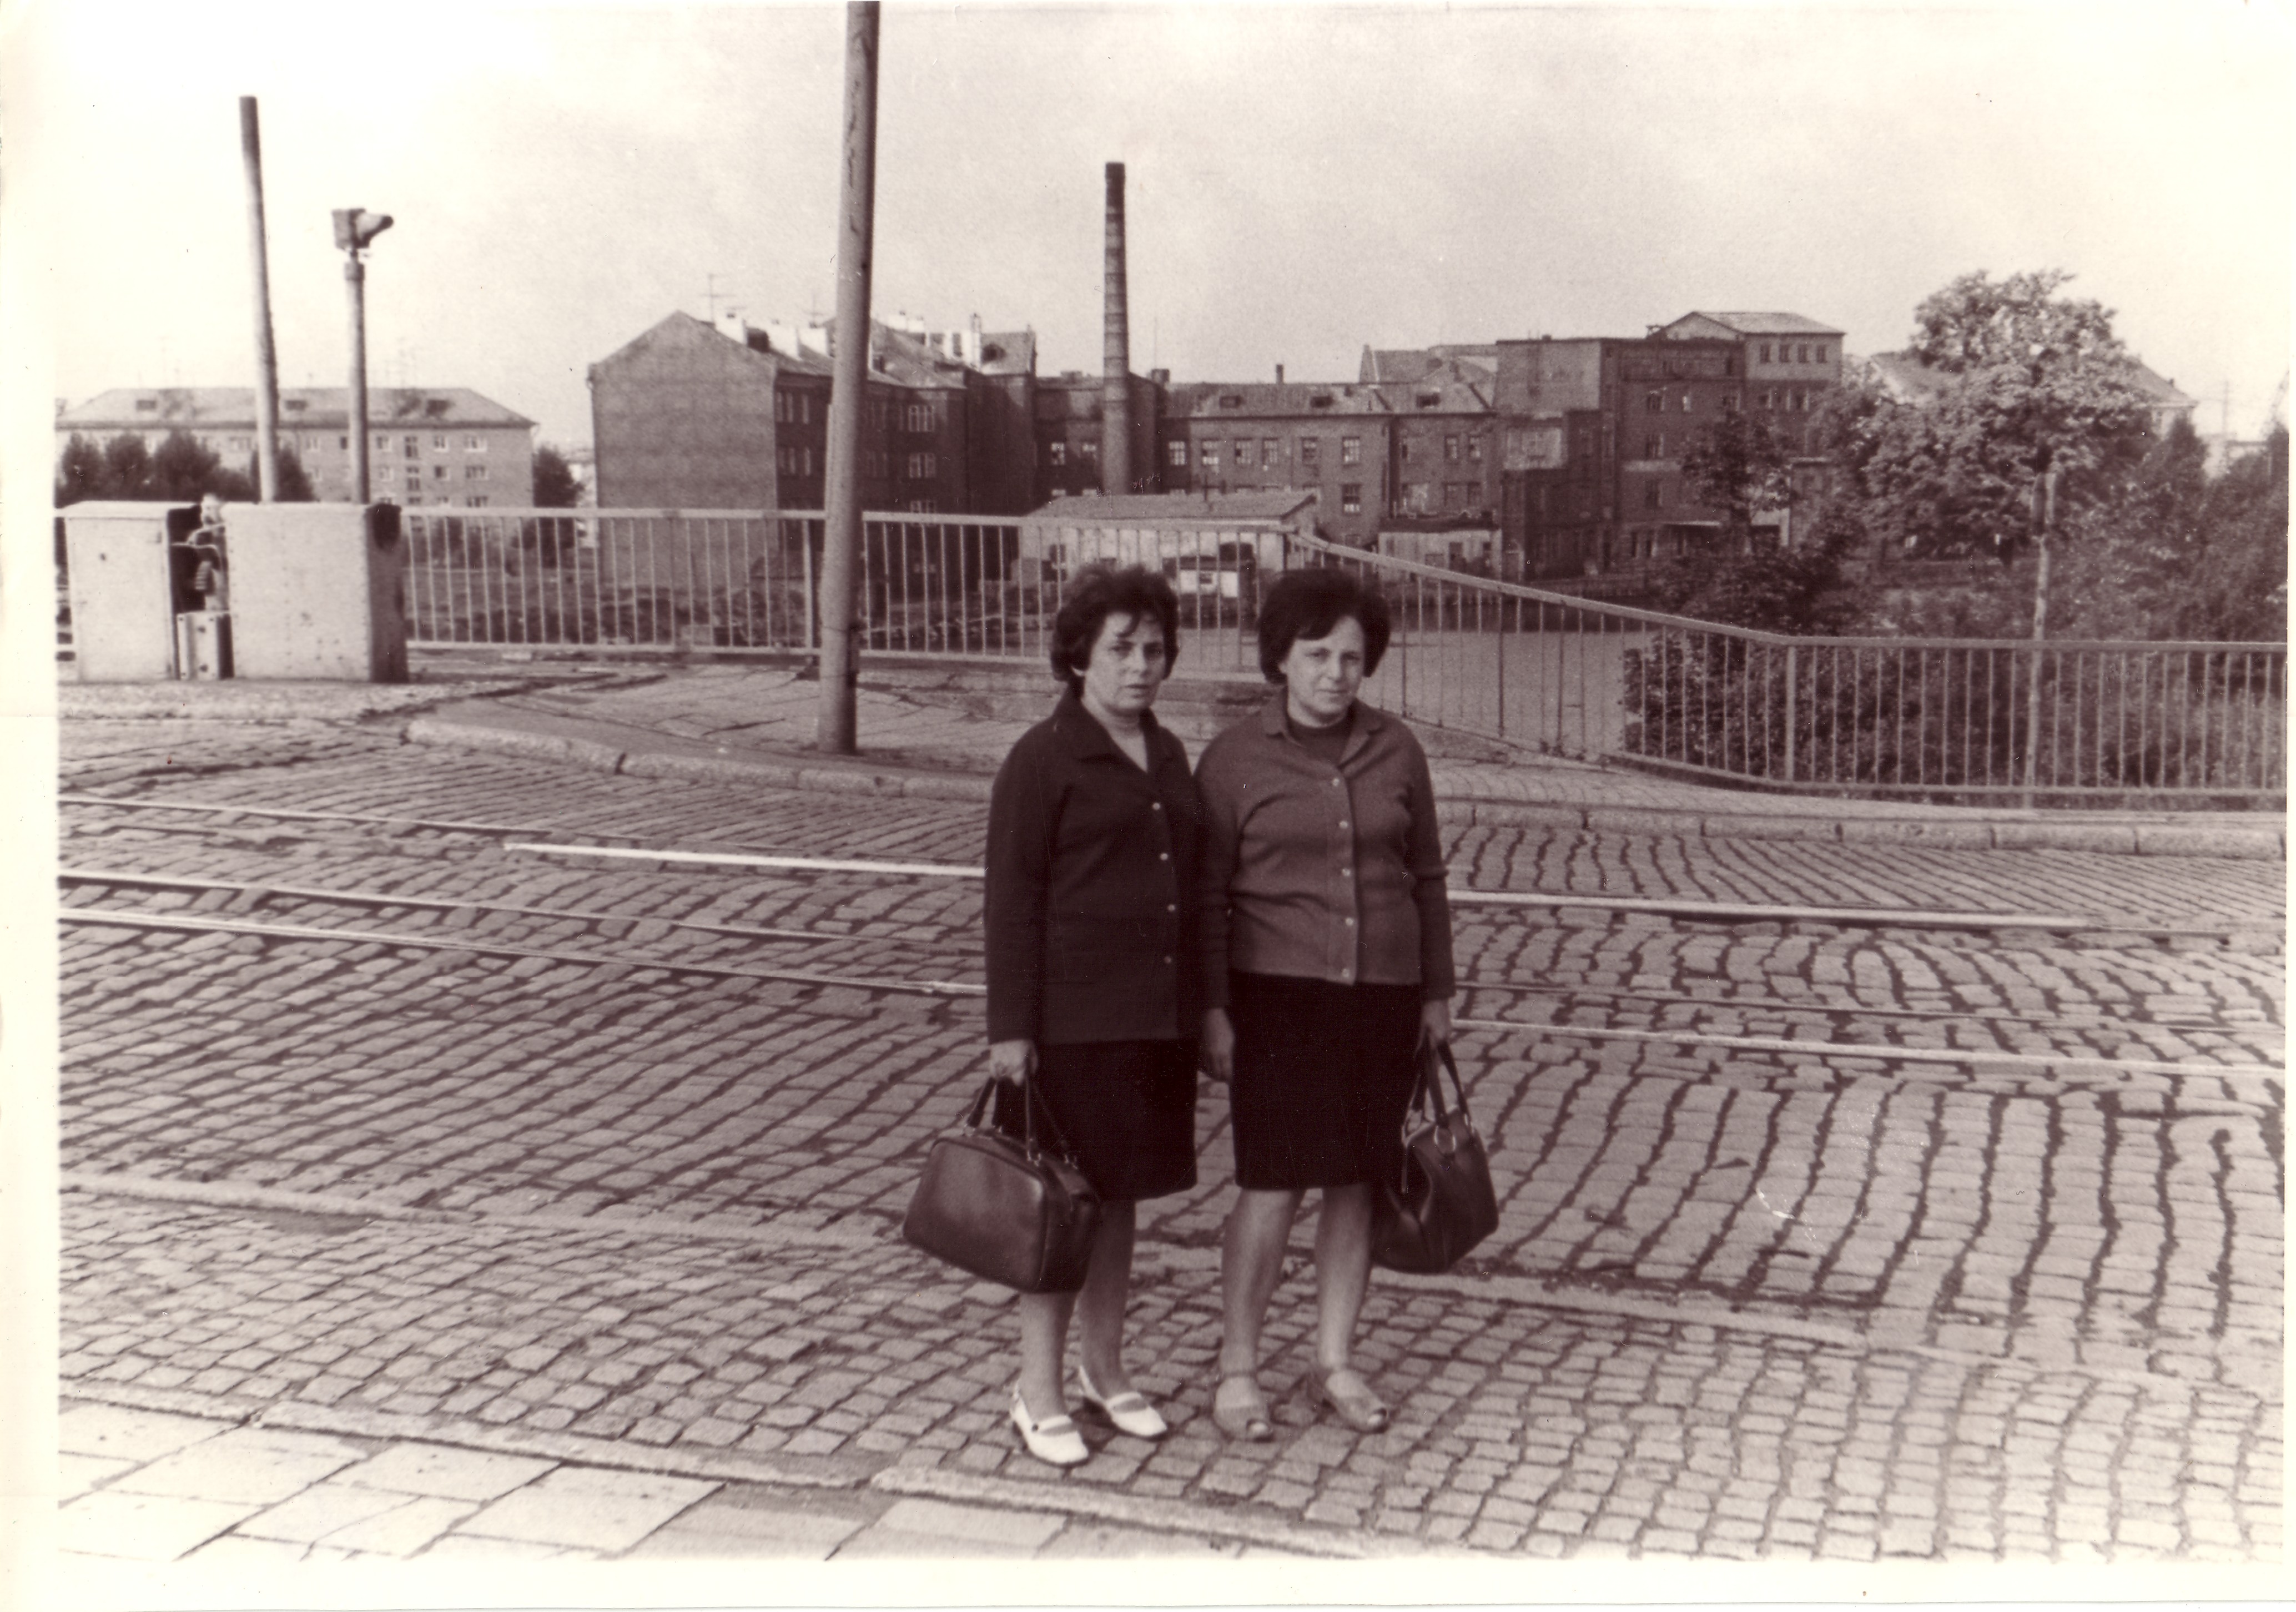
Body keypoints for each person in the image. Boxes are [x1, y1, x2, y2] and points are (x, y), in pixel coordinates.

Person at [1196, 566, 1454, 1440]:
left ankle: (1334, 1360)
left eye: (1352, 657)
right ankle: (1238, 1369)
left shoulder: (1398, 748)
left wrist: (1436, 995)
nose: (1337, 674)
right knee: (1272, 1186)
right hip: (1278, 1003)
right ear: (1280, 658)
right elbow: (1205, 899)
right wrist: (1213, 1010)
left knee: (1357, 1185)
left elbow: (1425, 878)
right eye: (1317, 655)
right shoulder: (1233, 759)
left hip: (1381, 1000)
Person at [983, 561, 1203, 1467]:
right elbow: (1012, 898)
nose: (1141, 666)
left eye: (1155, 649)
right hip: (1075, 1023)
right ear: (1080, 656)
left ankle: (1104, 1372)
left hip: (1156, 1021)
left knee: (1120, 1207)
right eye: (1121, 649)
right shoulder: (1042, 759)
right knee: (1062, 1213)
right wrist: (1012, 1031)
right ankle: (1036, 1391)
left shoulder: (1170, 752)